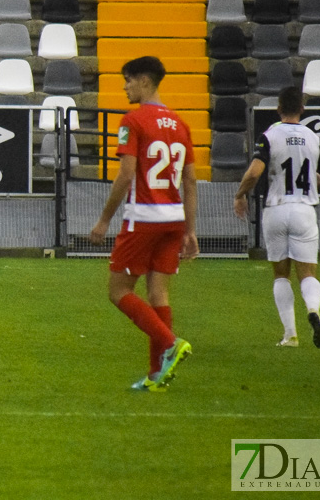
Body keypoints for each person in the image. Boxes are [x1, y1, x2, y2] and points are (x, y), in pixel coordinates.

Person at [90, 56, 197, 392]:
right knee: (158, 293)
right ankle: (156, 376)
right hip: (174, 218)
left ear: (145, 81)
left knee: (119, 291)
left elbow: (125, 174)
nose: (125, 86)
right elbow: (191, 182)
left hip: (144, 217)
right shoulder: (181, 124)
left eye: (129, 80)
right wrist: (191, 230)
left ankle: (169, 343)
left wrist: (105, 219)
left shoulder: (134, 120)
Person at [233, 87, 320, 349]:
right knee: (308, 274)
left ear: (279, 108)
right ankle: (313, 309)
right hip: (304, 210)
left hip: (276, 209)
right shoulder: (313, 138)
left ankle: (290, 334)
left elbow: (253, 173)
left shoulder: (270, 135)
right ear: (302, 109)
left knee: (281, 274)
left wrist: (240, 195)